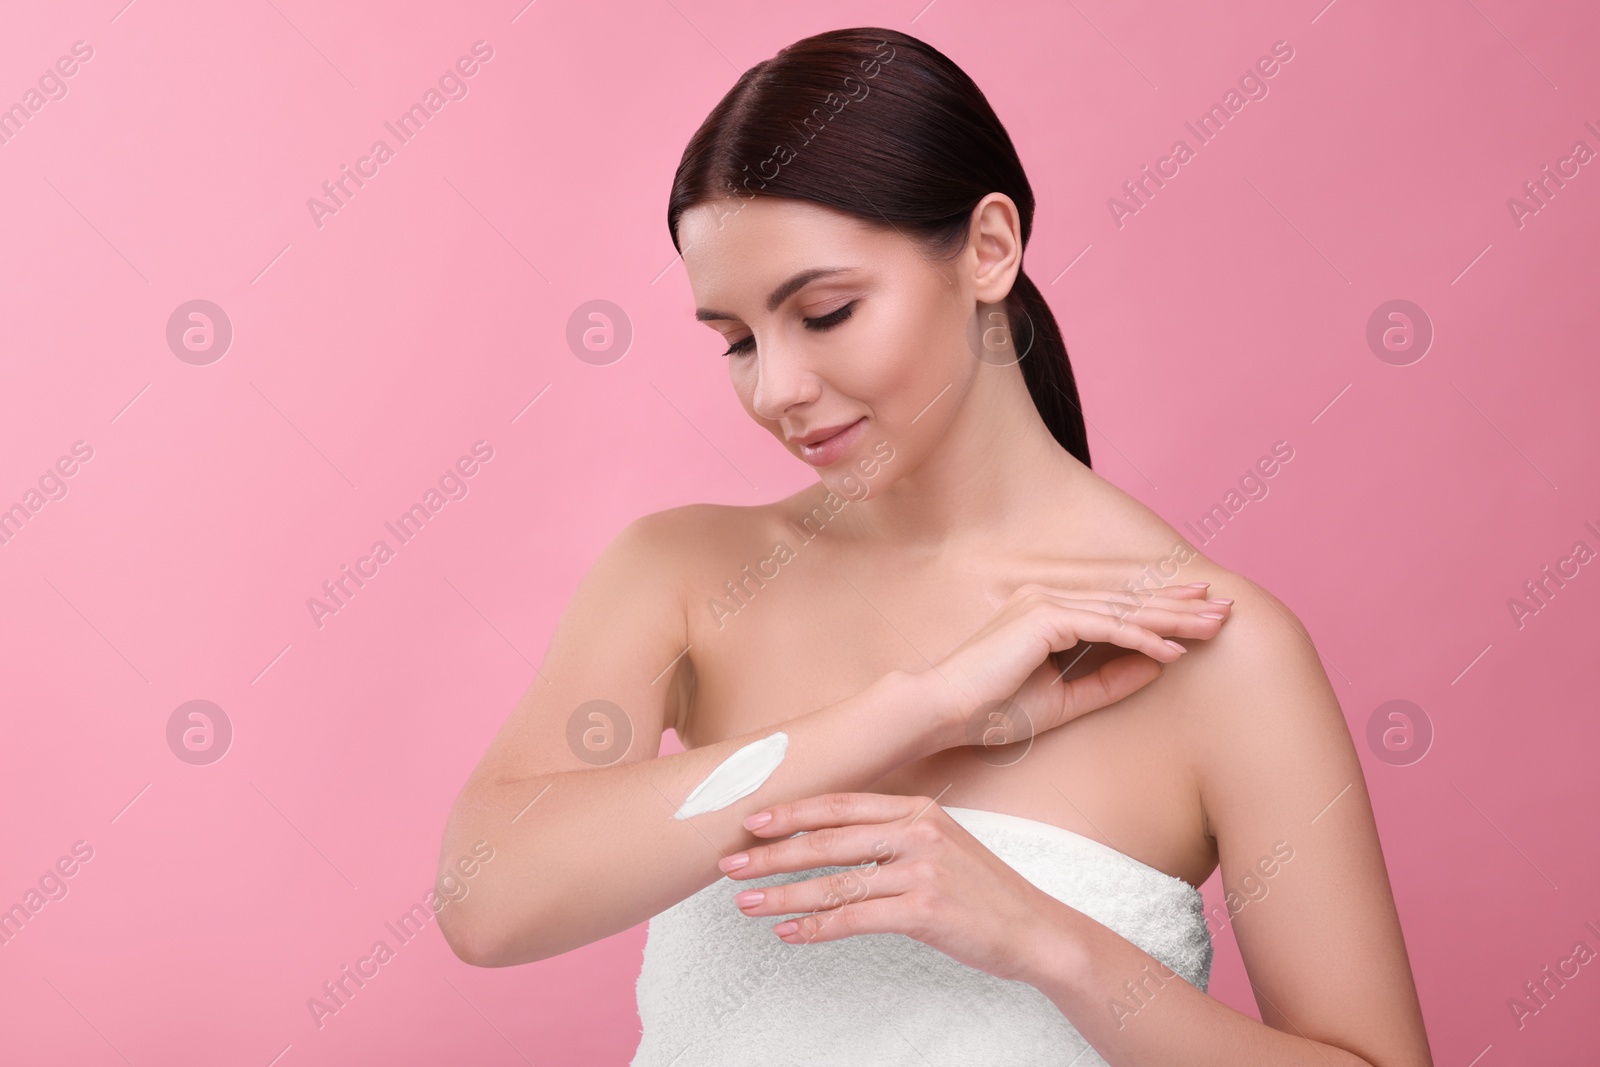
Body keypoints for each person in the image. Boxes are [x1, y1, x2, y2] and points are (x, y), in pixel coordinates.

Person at [436, 26, 1433, 1066]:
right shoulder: (681, 577)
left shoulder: (1208, 646)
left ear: (989, 248)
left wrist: (1047, 943)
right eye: (735, 339)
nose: (774, 387)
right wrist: (919, 709)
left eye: (824, 311)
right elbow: (486, 902)